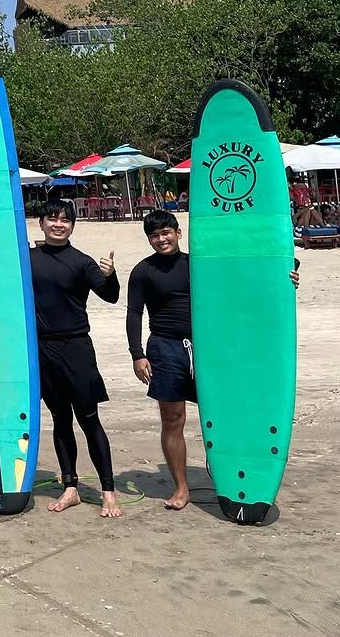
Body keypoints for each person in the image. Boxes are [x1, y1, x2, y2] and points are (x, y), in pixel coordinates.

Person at [127, 209, 300, 511]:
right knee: (173, 418)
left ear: (178, 233)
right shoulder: (143, 271)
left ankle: (233, 478)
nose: (160, 239)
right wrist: (137, 354)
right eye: (154, 235)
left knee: (227, 413)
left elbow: (245, 279)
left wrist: (288, 271)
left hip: (209, 347)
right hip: (165, 348)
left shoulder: (199, 265)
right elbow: (134, 313)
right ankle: (182, 487)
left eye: (165, 232)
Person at [30, 198, 122, 518]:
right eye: (52, 218)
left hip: (76, 348)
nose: (58, 224)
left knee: (88, 418)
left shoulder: (82, 262)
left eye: (64, 220)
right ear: (40, 222)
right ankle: (71, 487)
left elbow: (109, 296)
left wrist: (110, 276)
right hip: (43, 349)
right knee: (60, 419)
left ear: (72, 225)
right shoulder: (26, 258)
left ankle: (108, 491)